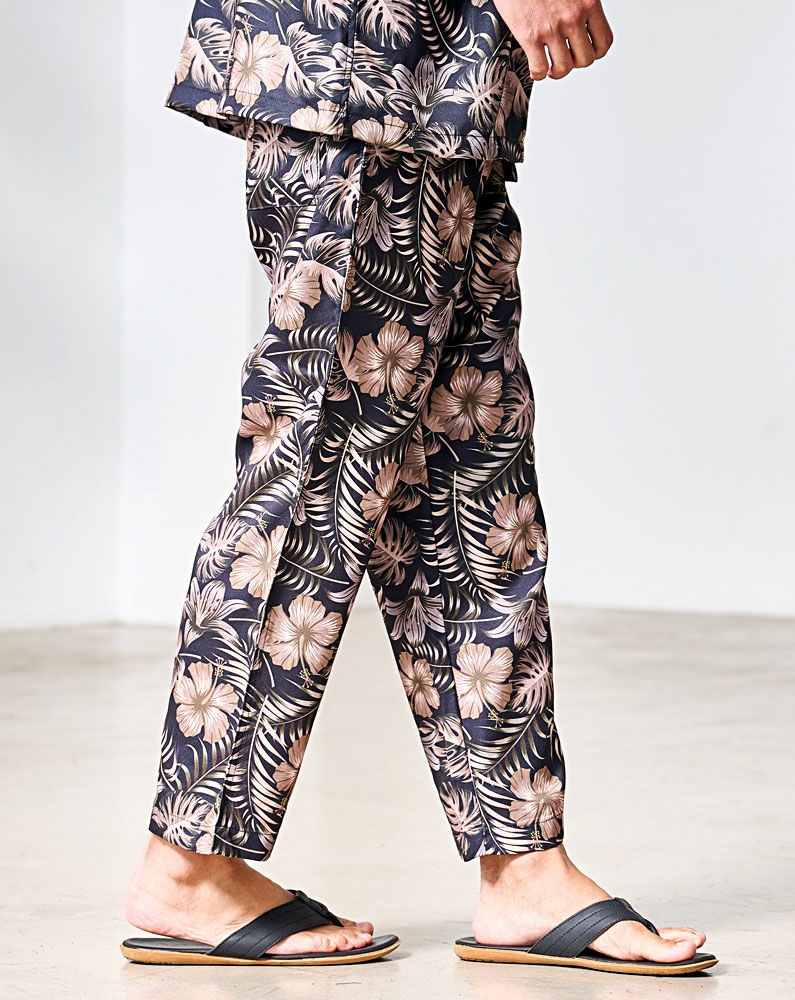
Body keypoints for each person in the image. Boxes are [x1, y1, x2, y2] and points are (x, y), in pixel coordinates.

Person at [122, 0, 717, 976]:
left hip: (449, 91)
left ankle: (524, 865)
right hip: (363, 73)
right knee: (319, 474)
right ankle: (188, 859)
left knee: (471, 488)